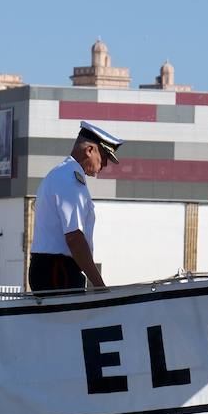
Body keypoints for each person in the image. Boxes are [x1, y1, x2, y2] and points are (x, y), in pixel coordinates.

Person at [28, 120, 123, 293]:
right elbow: (74, 237)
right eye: (104, 157)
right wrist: (100, 286)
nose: (105, 165)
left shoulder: (62, 174)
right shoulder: (70, 179)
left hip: (54, 269)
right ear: (89, 150)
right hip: (58, 271)